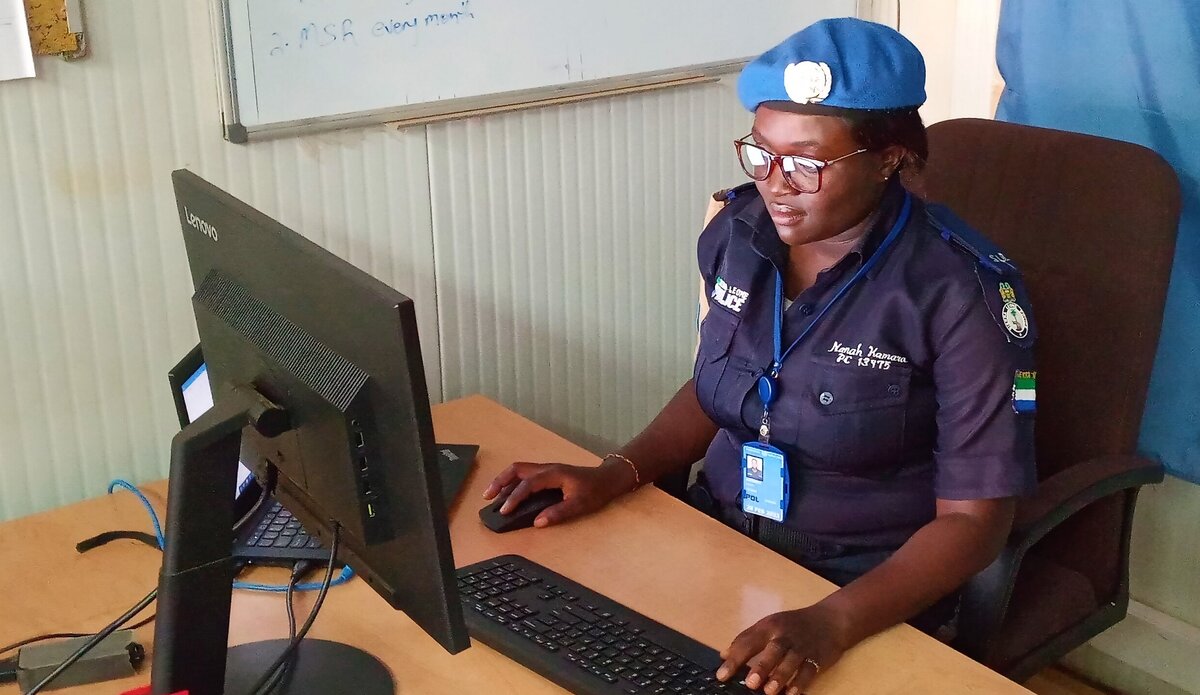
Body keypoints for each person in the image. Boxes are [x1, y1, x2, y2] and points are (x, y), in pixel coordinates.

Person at [483, 17, 1037, 695]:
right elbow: (715, 386)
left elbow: (974, 523)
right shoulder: (737, 233)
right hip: (714, 534)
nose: (776, 183)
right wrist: (613, 474)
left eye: (807, 163)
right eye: (761, 153)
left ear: (889, 158)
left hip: (855, 580)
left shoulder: (961, 294)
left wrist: (831, 621)